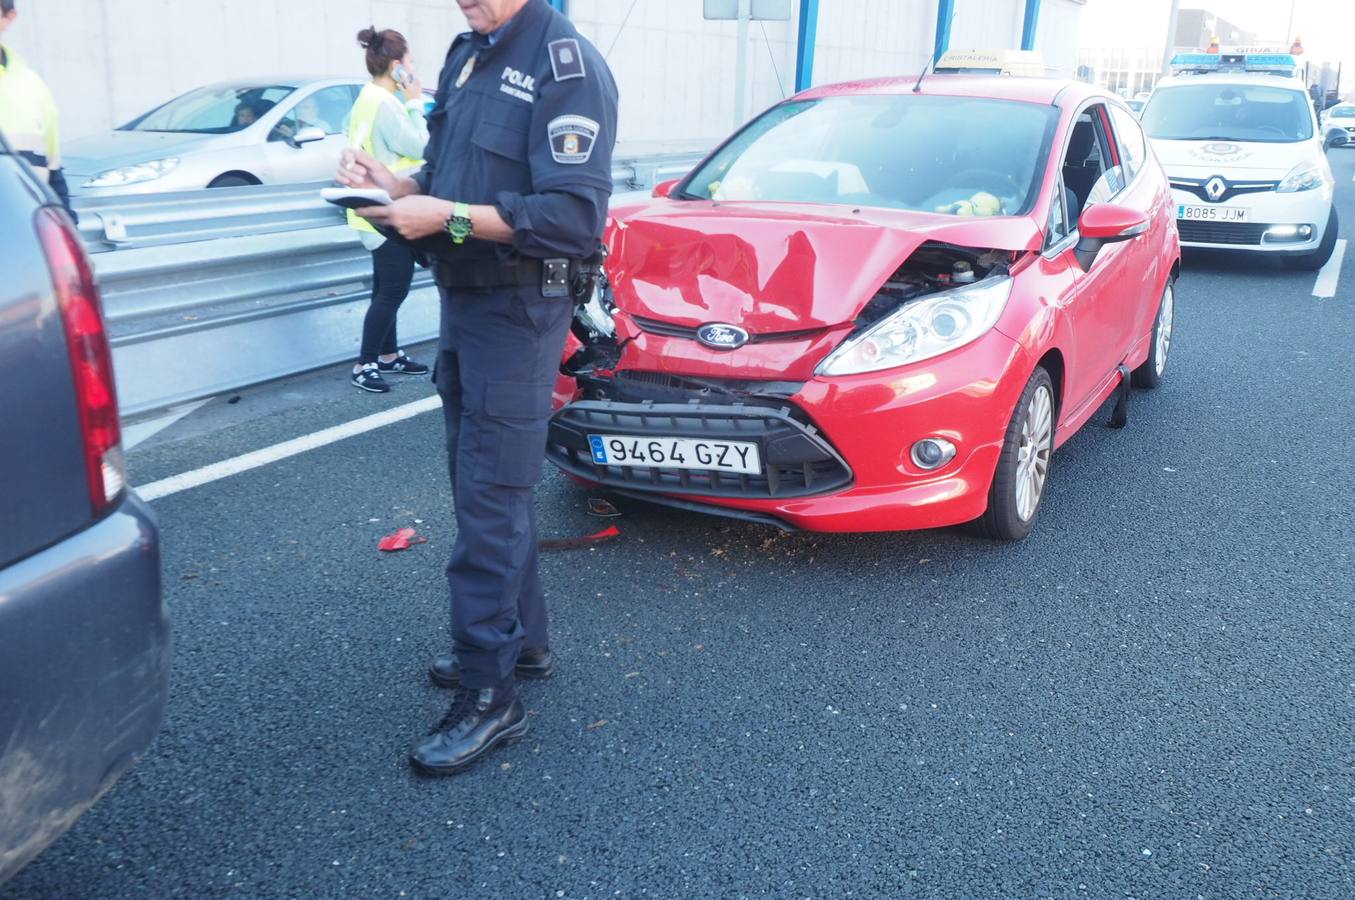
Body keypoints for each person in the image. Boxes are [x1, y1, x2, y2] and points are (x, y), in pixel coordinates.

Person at [336, 0, 617, 775]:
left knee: (489, 496)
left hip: (519, 308)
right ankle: (521, 645)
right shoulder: (471, 54)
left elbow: (569, 220)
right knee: (482, 486)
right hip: (463, 300)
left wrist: (447, 218)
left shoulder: (566, 66)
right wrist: (392, 185)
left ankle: (490, 692)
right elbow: (450, 177)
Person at [346, 26, 432, 393]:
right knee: (393, 290)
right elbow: (421, 146)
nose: (413, 68)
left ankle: (388, 355)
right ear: (397, 66)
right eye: (410, 61)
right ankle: (365, 363)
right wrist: (415, 101)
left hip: (371, 208)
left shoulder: (366, 97)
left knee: (386, 286)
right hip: (387, 210)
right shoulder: (388, 105)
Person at [0, 0, 73, 216]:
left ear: (9, 18)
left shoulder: (31, 83)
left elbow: (52, 168)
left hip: (26, 229)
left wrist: (66, 222)